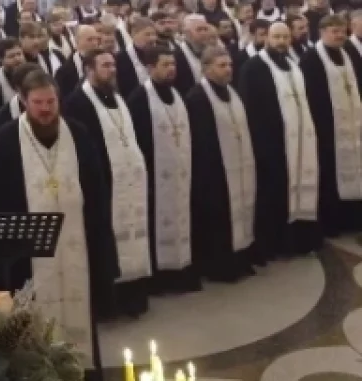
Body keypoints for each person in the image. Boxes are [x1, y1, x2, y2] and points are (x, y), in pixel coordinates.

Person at [0, 69, 115, 375]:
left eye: (51, 102)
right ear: (23, 101)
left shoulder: (78, 134)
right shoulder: (5, 140)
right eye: (38, 103)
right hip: (27, 258)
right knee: (31, 333)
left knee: (81, 323)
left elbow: (98, 192)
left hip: (79, 246)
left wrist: (102, 247)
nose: (45, 109)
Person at [63, 50, 150, 318]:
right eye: (105, 65)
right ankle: (109, 301)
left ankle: (133, 294)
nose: (112, 70)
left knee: (133, 238)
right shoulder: (77, 102)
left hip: (129, 181)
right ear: (89, 69)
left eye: (113, 65)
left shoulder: (118, 97)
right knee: (105, 242)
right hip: (102, 184)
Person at [239, 21, 322, 260]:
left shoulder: (293, 66)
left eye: (285, 37)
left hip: (298, 143)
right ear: (266, 38)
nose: (281, 42)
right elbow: (249, 108)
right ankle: (274, 244)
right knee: (273, 194)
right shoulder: (253, 68)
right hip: (271, 144)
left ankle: (299, 239)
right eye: (276, 37)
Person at [124, 45, 200, 294]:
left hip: (180, 173)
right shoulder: (139, 98)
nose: (171, 69)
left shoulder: (178, 95)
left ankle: (181, 271)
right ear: (150, 67)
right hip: (155, 177)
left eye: (173, 64)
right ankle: (160, 279)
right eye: (165, 65)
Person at [184, 46, 258, 283]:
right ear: (206, 68)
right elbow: (201, 141)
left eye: (230, 65)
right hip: (214, 173)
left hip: (239, 166)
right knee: (219, 220)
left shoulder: (232, 93)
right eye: (222, 65)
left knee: (241, 212)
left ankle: (241, 257)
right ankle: (221, 266)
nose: (228, 70)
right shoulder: (197, 98)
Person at [300, 13, 362, 236]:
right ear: (322, 32)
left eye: (342, 31)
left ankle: (355, 218)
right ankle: (333, 222)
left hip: (353, 124)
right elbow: (310, 94)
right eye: (334, 31)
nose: (340, 35)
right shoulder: (311, 58)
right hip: (327, 127)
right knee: (329, 173)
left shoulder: (349, 54)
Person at [115, 17, 155, 98]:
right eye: (147, 34)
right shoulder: (121, 58)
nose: (152, 38)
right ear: (134, 34)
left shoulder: (159, 53)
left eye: (154, 34)